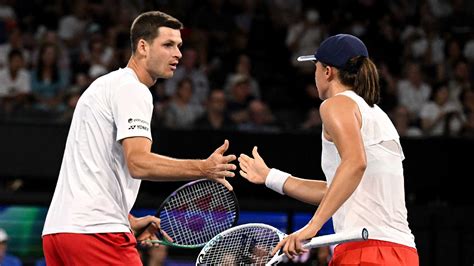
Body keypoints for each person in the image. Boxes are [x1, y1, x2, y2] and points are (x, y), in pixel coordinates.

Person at [41, 11, 237, 266]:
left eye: (179, 46)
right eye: (167, 45)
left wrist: (129, 220)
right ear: (143, 46)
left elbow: (94, 168)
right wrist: (203, 168)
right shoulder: (133, 89)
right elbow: (138, 163)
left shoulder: (104, 85)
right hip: (96, 233)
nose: (177, 53)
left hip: (59, 232)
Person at [238, 34, 419, 265]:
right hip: (402, 253)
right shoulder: (378, 115)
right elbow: (339, 190)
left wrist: (311, 227)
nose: (314, 75)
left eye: (316, 67)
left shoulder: (336, 104)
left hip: (366, 252)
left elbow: (355, 163)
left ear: (328, 72)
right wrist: (270, 177)